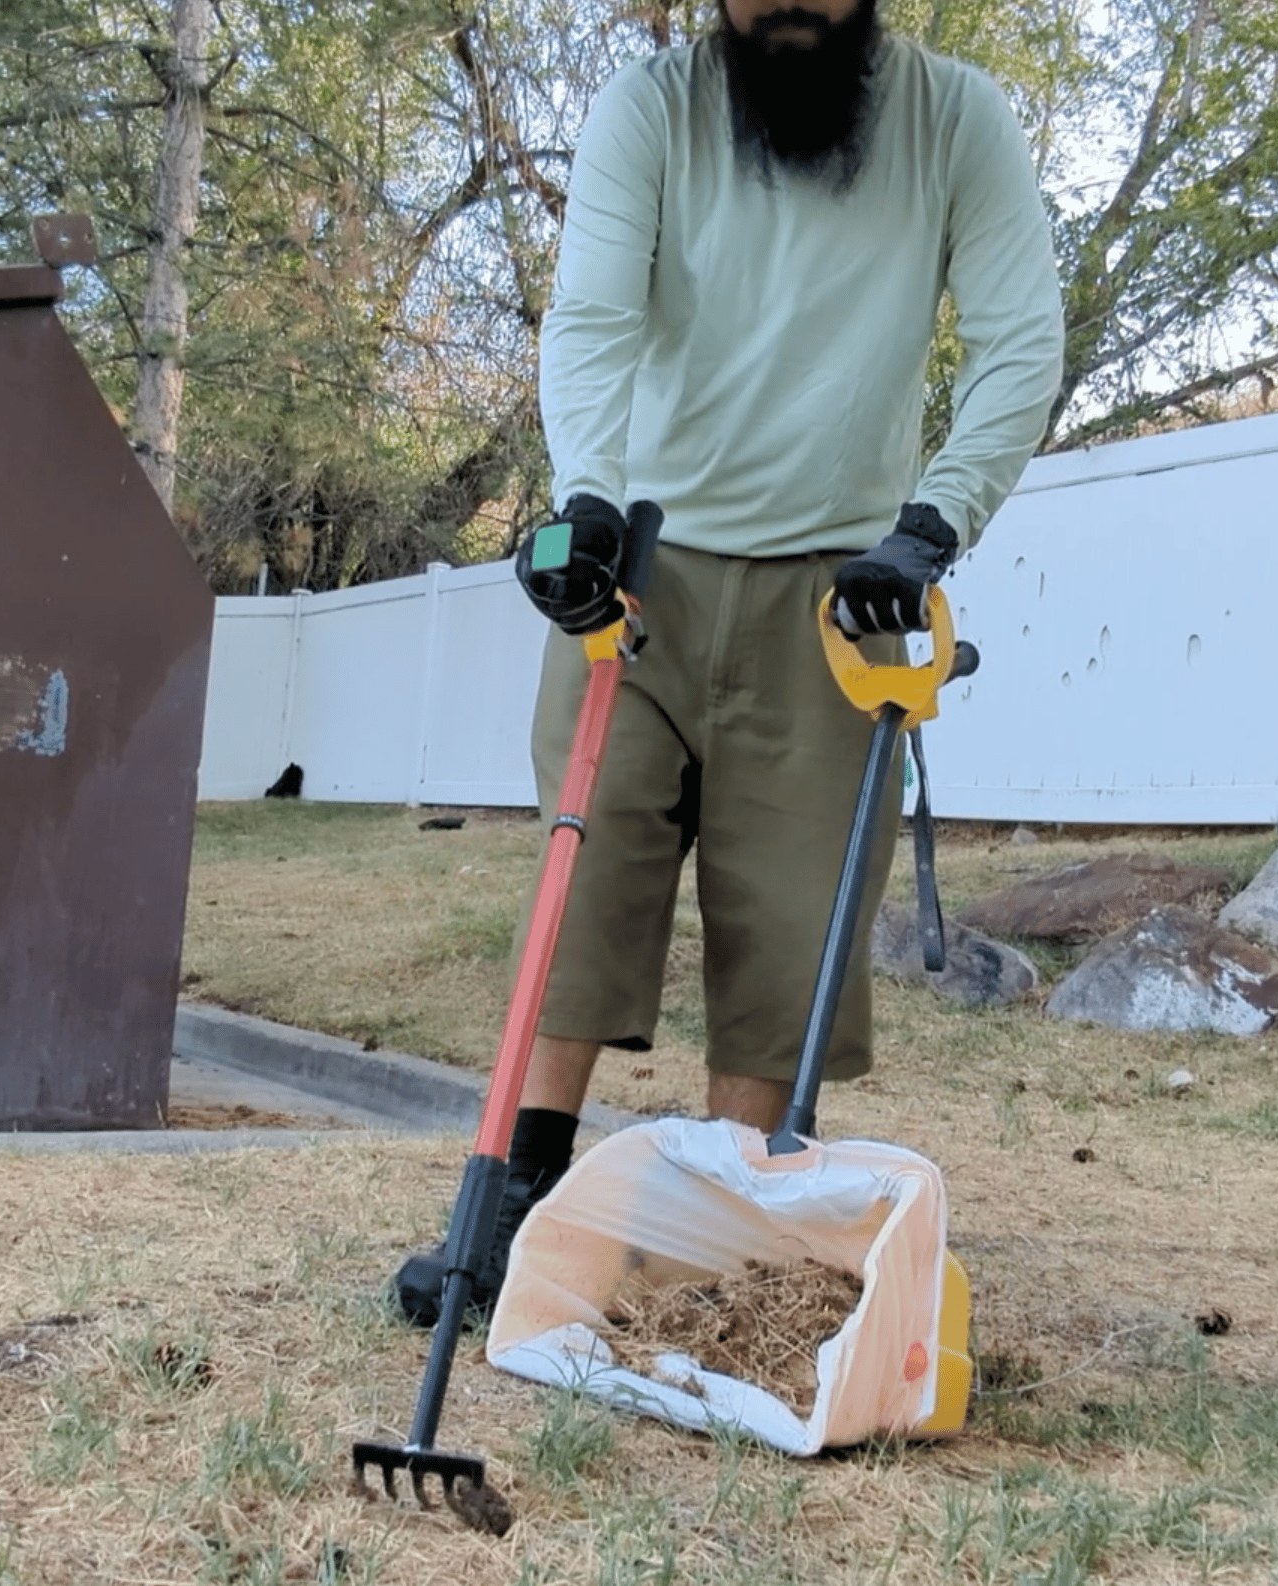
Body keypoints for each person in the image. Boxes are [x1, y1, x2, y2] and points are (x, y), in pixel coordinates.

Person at [395, 0, 1064, 1326]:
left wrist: (932, 522)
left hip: (841, 586)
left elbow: (1019, 342)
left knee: (791, 928)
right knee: (583, 891)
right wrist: (585, 496)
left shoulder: (959, 121)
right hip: (642, 570)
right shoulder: (651, 108)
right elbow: (589, 320)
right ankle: (511, 1202)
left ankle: (725, 1230)